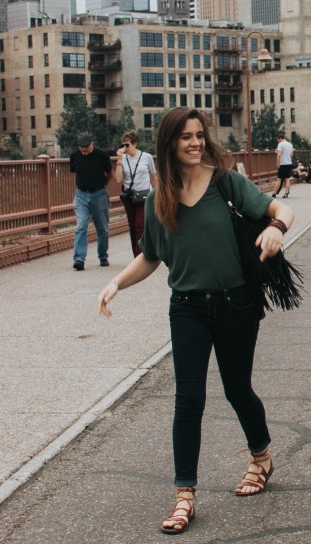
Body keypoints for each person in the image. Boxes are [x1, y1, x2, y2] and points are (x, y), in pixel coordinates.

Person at [97, 108, 294, 535]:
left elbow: (280, 207)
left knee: (237, 389)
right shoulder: (158, 199)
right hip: (186, 307)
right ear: (168, 144)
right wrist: (116, 283)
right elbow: (150, 257)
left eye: (199, 135)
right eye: (184, 137)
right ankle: (184, 493)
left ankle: (261, 457)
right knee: (188, 398)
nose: (194, 143)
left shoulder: (226, 182)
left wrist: (277, 227)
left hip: (235, 303)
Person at [70, 132, 113, 270]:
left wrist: (103, 186)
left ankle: (103, 256)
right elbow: (74, 172)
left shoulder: (101, 155)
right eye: (81, 147)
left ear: (92, 144)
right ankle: (79, 259)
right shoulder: (74, 156)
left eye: (86, 147)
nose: (83, 150)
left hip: (98, 194)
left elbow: (110, 173)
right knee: (81, 226)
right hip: (81, 194)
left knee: (102, 227)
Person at [114, 130, 157, 257]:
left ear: (135, 144)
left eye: (127, 145)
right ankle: (136, 254)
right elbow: (118, 179)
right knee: (132, 226)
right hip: (129, 196)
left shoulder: (146, 157)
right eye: (123, 145)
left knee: (140, 225)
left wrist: (157, 194)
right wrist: (119, 159)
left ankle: (141, 255)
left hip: (144, 195)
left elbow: (153, 177)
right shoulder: (123, 158)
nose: (125, 148)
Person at [271, 132, 294, 198]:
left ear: (280, 139)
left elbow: (279, 155)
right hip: (289, 163)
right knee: (287, 179)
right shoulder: (290, 144)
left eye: (278, 140)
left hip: (283, 163)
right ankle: (286, 193)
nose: (278, 141)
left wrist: (277, 163)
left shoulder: (280, 144)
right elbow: (291, 155)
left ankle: (274, 193)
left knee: (279, 179)